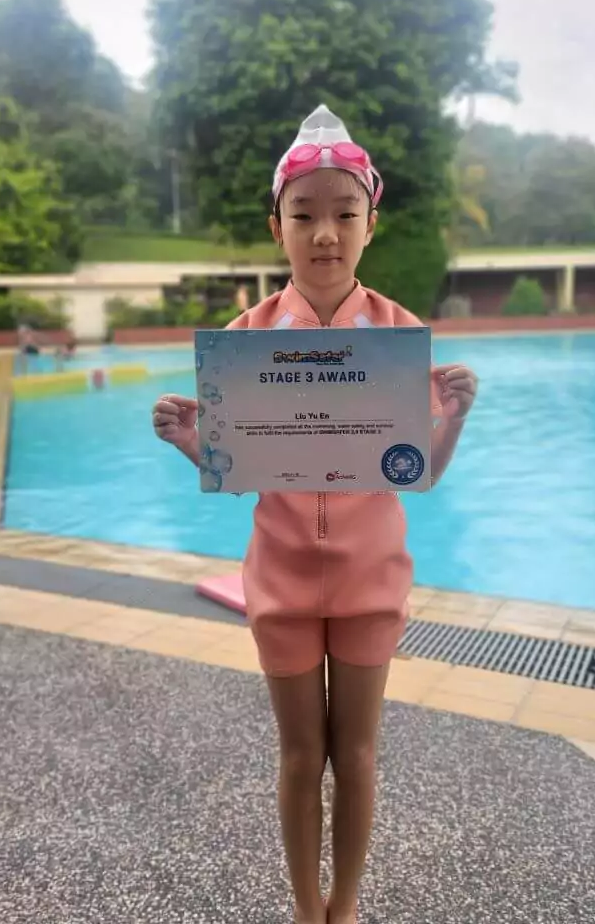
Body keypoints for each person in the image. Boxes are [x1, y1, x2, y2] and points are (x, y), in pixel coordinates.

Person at [151, 105, 477, 924]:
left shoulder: (399, 334)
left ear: (371, 223)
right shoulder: (247, 337)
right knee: (302, 755)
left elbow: (421, 476)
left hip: (371, 581)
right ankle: (304, 907)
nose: (324, 234)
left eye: (343, 215)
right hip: (284, 583)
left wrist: (455, 417)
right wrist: (194, 443)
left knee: (357, 756)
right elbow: (239, 475)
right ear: (277, 226)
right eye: (304, 216)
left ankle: (346, 903)